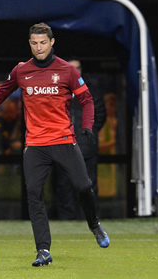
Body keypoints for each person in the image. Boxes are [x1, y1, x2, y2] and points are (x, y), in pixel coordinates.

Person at [0, 23, 110, 267]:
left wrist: (87, 126)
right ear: (29, 44)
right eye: (34, 43)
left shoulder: (67, 70)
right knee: (33, 195)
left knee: (83, 186)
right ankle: (43, 250)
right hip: (35, 144)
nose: (38, 47)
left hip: (63, 140)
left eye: (43, 42)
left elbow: (87, 100)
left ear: (52, 42)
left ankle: (95, 226)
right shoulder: (21, 71)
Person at [53, 58, 106, 220]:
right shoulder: (55, 91)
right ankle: (66, 220)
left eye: (77, 68)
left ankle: (88, 219)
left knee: (86, 185)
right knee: (63, 186)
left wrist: (88, 134)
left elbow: (100, 115)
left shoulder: (90, 91)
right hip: (62, 146)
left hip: (85, 148)